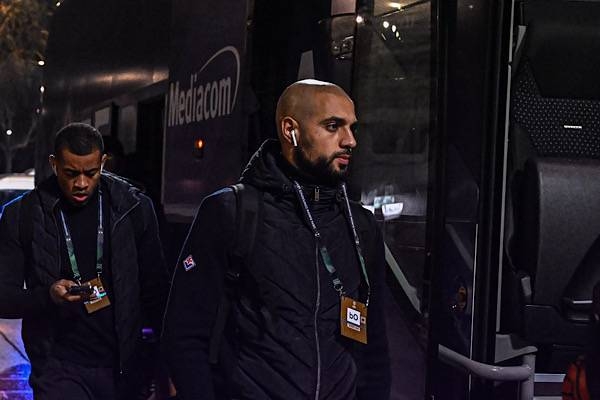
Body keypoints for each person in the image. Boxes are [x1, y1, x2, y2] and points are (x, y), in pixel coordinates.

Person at [163, 79, 391, 399]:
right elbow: (185, 333)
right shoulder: (232, 212)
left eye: (352, 128)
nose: (349, 140)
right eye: (333, 126)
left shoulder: (361, 226)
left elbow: (375, 346)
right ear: (290, 130)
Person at [0, 123, 169, 399]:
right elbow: (4, 297)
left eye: (91, 173)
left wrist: (166, 365)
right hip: (58, 366)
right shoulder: (22, 215)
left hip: (123, 367)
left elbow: (157, 290)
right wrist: (48, 296)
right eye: (71, 173)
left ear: (103, 163)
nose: (81, 183)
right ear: (54, 164)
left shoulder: (133, 208)